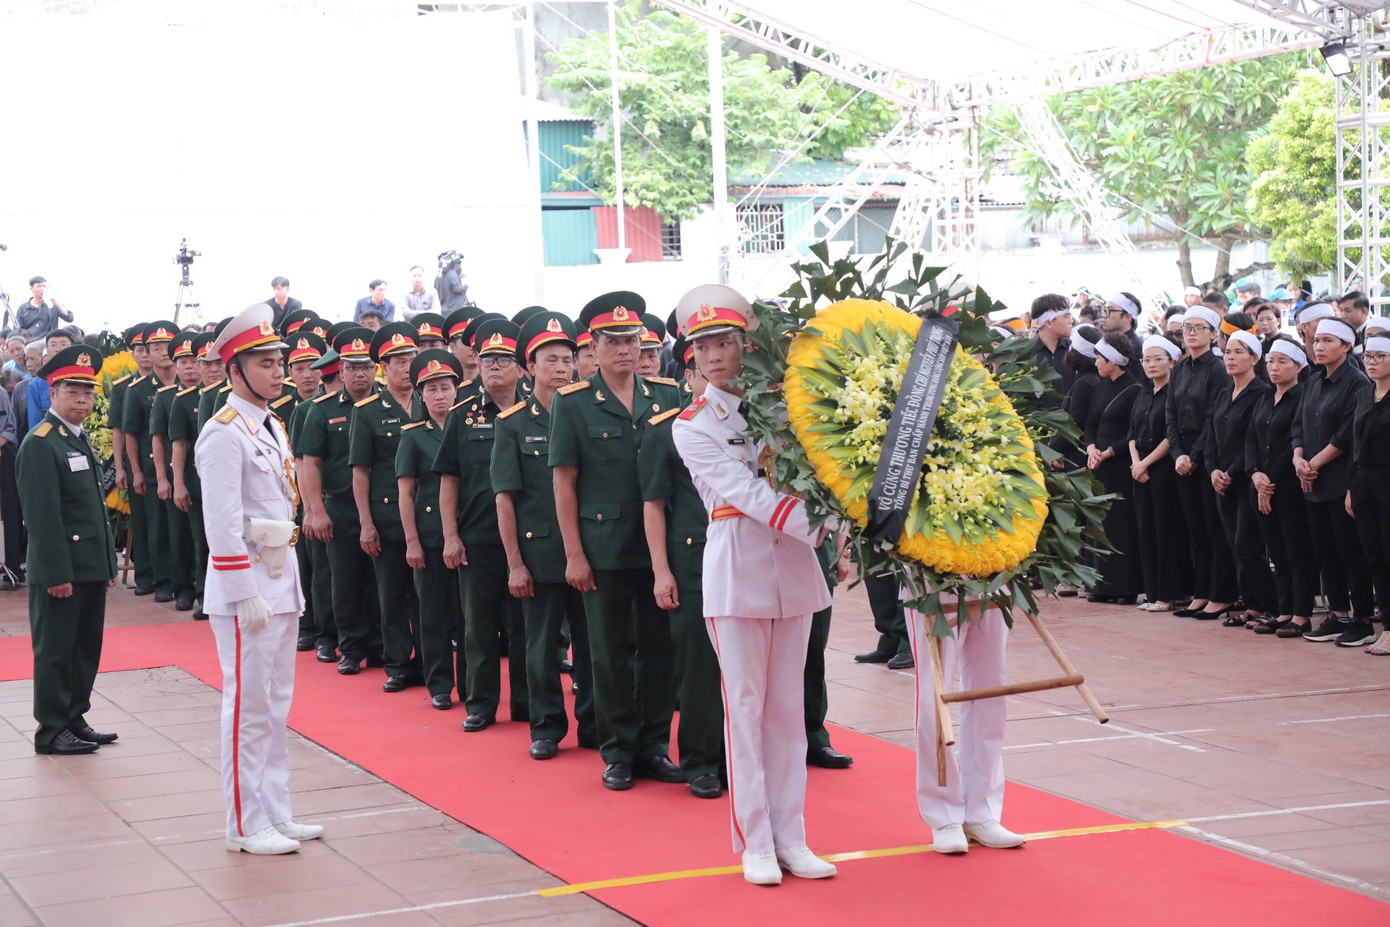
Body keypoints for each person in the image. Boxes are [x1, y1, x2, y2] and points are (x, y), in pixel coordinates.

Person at [670, 284, 836, 886]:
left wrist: (839, 513)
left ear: (747, 345)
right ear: (692, 356)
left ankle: (792, 835)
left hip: (792, 572)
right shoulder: (692, 425)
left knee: (788, 712)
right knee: (744, 710)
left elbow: (818, 471)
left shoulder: (784, 409)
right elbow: (745, 494)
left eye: (725, 343)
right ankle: (755, 839)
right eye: (704, 345)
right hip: (738, 573)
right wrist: (830, 524)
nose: (715, 355)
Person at [196, 303, 321, 856]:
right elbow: (221, 523)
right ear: (235, 370)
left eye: (279, 361)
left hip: (279, 579)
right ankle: (244, 822)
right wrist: (242, 591)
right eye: (265, 363)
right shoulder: (223, 433)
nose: (278, 371)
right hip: (247, 587)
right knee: (247, 707)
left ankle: (274, 810)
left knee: (275, 705)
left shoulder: (269, 424)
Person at [548, 291, 683, 791]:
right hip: (603, 549)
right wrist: (574, 554)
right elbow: (564, 482)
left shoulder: (666, 396)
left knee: (658, 650)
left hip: (660, 549)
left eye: (632, 340)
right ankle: (618, 750)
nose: (624, 350)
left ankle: (653, 746)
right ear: (595, 346)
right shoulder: (575, 403)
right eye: (613, 341)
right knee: (608, 654)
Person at [493, 312, 596, 758]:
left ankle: (594, 724)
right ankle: (547, 728)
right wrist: (515, 563)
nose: (561, 367)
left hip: (591, 550)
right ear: (529, 367)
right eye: (550, 359)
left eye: (567, 359)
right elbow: (505, 498)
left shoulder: (588, 412)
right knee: (540, 647)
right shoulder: (513, 423)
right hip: (540, 553)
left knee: (595, 645)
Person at [17, 345, 118, 755]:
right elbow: (42, 518)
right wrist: (56, 573)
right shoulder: (41, 443)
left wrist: (107, 562)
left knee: (84, 648)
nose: (82, 399)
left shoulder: (75, 440)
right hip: (61, 569)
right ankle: (51, 729)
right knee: (56, 651)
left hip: (89, 564)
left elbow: (91, 509)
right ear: (53, 392)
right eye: (73, 390)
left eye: (88, 392)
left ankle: (74, 717)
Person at [639, 330, 724, 796]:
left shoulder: (753, 422)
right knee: (698, 667)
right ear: (687, 374)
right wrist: (661, 570)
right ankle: (700, 761)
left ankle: (740, 757)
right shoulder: (669, 429)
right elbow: (654, 504)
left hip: (744, 558)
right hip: (692, 560)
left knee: (746, 668)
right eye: (699, 364)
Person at [435, 318, 530, 730]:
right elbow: (449, 480)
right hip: (479, 537)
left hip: (533, 537)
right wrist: (451, 536)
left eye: (503, 359)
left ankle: (529, 703)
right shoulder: (462, 414)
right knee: (478, 627)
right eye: (487, 359)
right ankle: (481, 703)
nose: (493, 366)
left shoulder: (541, 408)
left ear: (520, 366)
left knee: (529, 630)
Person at [902, 584, 1024, 856]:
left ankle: (982, 809)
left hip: (991, 575)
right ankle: (943, 813)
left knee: (990, 694)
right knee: (935, 697)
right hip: (932, 579)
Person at [297, 328, 384, 673]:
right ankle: (349, 647)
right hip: (341, 505)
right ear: (341, 370)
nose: (360, 373)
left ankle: (381, 646)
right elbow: (310, 464)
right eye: (352, 367)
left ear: (374, 369)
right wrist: (314, 510)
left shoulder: (390, 405)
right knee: (344, 580)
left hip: (383, 505)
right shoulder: (322, 410)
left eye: (366, 366)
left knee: (383, 583)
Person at [1295, 317, 1377, 646]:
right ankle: (1339, 613)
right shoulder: (1314, 381)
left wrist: (1313, 462)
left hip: (1341, 481)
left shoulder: (1357, 382)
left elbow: (1347, 433)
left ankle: (1362, 619)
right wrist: (1298, 458)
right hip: (1311, 481)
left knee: (1350, 551)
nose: (1320, 347)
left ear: (1346, 346)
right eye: (1317, 341)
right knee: (1326, 551)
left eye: (1328, 341)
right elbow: (1299, 425)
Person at [351, 322, 423, 692]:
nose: (406, 366)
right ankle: (398, 663)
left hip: (429, 518)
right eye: (397, 361)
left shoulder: (433, 400)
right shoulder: (367, 412)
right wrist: (366, 523)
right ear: (383, 367)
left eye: (411, 358)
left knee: (429, 597)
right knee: (392, 595)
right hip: (387, 516)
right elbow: (360, 472)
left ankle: (429, 661)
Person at [397, 350, 464, 710]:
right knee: (434, 614)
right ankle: (439, 683)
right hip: (429, 536)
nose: (440, 395)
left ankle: (471, 684)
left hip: (467, 534)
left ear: (457, 390)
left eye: (446, 387)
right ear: (421, 395)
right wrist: (412, 542)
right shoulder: (412, 436)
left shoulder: (468, 427)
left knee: (470, 616)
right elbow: (406, 493)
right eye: (432, 389)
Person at [1166, 305, 1236, 619]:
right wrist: (1178, 453)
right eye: (1186, 328)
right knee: (1195, 529)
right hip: (1183, 457)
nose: (1190, 333)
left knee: (1214, 528)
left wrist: (1194, 455)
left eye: (1198, 327)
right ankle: (1202, 591)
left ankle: (1222, 594)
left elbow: (1214, 416)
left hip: (1208, 458)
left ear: (1211, 333)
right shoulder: (1179, 369)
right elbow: (1171, 416)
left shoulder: (1218, 368)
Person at [1204, 330, 1276, 626]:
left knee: (1249, 545)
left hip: (1246, 480)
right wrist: (1212, 470)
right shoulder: (1223, 394)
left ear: (1255, 358)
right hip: (1221, 481)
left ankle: (1273, 606)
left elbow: (1252, 441)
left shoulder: (1261, 393)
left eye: (1238, 352)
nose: (1230, 358)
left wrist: (1230, 472)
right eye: (1228, 352)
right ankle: (1254, 604)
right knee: (1234, 545)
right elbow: (1210, 438)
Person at [1247, 336, 1317, 637]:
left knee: (1296, 550)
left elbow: (1294, 443)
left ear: (1299, 366)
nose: (1274, 368)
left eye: (1282, 362)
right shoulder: (1264, 398)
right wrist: (1254, 475)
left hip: (1287, 487)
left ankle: (1302, 614)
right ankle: (1284, 610)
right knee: (1276, 551)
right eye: (1271, 361)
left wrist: (1269, 481)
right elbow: (1250, 440)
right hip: (1261, 484)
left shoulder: (1302, 398)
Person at [1129, 335, 1188, 612]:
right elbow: (1131, 434)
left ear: (1172, 362)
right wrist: (1136, 463)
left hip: (1163, 468)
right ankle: (1152, 592)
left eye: (1157, 359)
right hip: (1139, 470)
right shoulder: (1142, 393)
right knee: (1146, 530)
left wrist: (1146, 463)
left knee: (1167, 531)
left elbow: (1171, 435)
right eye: (1146, 360)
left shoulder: (1174, 394)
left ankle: (1169, 593)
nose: (1151, 364)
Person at [1084, 332, 1142, 603]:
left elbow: (1133, 430)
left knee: (1120, 526)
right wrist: (1091, 448)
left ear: (1114, 361)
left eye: (1100, 358)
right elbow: (1091, 424)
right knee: (1101, 525)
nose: (1096, 362)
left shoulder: (1134, 389)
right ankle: (1102, 586)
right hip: (1099, 463)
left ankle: (1125, 587)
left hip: (1119, 464)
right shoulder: (1101, 386)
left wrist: (1108, 452)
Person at [124, 321, 179, 603]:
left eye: (167, 346)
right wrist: (134, 471)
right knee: (157, 528)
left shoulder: (188, 385)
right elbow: (131, 433)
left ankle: (186, 579)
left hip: (184, 470)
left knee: (181, 529)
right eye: (155, 348)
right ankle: (162, 581)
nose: (163, 352)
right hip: (150, 469)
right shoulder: (137, 390)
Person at [1350, 330, 1390, 654]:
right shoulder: (1364, 394)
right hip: (1364, 483)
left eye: (1380, 356)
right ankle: (1387, 626)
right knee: (1374, 556)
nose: (1372, 363)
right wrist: (1352, 486)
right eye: (1368, 357)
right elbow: (1355, 444)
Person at [27, 327, 75, 435]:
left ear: (71, 348)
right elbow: (34, 424)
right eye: (53, 345)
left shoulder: (81, 378)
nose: (58, 349)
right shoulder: (35, 385)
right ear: (47, 350)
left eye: (63, 345)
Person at [1029, 293, 1074, 404]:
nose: (1071, 321)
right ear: (1048, 323)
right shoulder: (1024, 355)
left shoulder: (1074, 350)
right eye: (1066, 316)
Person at [1100, 292, 1148, 387]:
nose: (1104, 315)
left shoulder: (1133, 346)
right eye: (1104, 310)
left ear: (1128, 317)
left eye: (1110, 311)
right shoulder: (1115, 342)